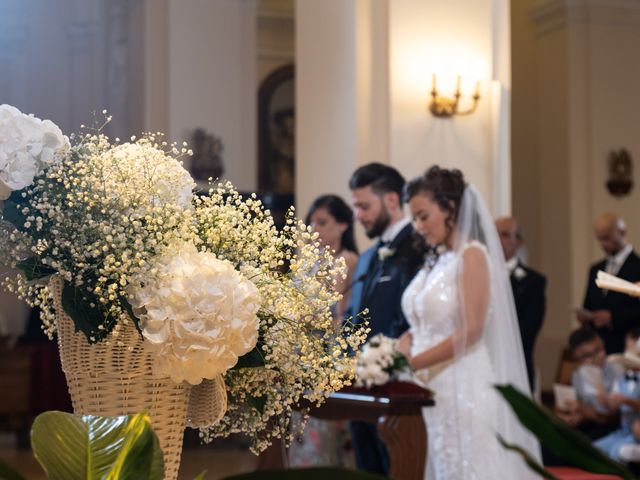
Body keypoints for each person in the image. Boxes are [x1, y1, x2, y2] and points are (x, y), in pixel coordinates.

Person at [397, 166, 540, 479]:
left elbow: (471, 330)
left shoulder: (472, 255)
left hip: (461, 385)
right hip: (428, 387)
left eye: (423, 216)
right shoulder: (436, 260)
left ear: (449, 208)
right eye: (415, 218)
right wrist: (401, 345)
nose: (418, 227)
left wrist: (412, 362)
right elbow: (423, 320)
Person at [346, 163, 424, 475]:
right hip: (359, 389)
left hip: (398, 387)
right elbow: (355, 319)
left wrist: (388, 363)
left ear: (391, 201)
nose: (358, 216)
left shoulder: (418, 249)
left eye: (364, 206)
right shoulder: (366, 257)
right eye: (355, 206)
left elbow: (414, 319)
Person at [288, 195, 359, 467]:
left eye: (322, 222)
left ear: (342, 225)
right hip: (300, 352)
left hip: (326, 352)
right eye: (312, 222)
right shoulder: (307, 261)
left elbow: (337, 311)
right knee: (300, 428)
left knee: (325, 428)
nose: (315, 229)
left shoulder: (347, 260)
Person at [495, 216, 546, 392]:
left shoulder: (534, 282)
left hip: (516, 363)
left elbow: (530, 328)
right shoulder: (479, 275)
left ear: (518, 241)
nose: (498, 240)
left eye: (504, 235)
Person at [577, 213, 640, 353]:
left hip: (628, 346)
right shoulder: (595, 269)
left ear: (622, 232)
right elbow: (589, 304)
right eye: (599, 239)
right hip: (599, 347)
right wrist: (585, 316)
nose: (603, 244)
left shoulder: (638, 267)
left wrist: (613, 317)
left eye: (606, 238)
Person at [555, 327, 620, 440]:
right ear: (576, 358)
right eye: (587, 356)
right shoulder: (578, 376)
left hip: (612, 426)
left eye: (599, 350)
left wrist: (583, 410)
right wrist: (575, 417)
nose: (596, 358)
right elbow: (586, 407)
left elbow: (610, 417)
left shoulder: (615, 369)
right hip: (591, 423)